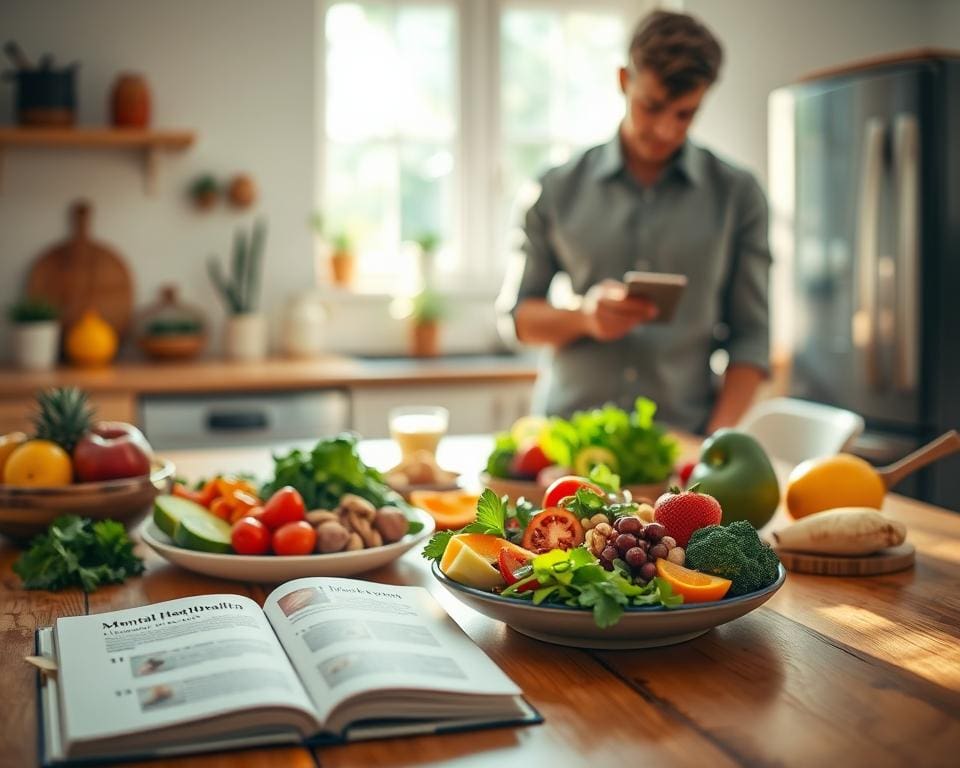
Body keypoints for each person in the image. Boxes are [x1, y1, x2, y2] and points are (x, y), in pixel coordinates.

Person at [498, 9, 771, 435]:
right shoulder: (554, 188)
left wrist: (713, 447)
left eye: (684, 114)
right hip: (568, 442)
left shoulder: (739, 195)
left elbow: (752, 339)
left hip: (684, 444)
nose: (665, 130)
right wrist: (585, 317)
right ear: (624, 81)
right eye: (652, 106)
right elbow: (517, 320)